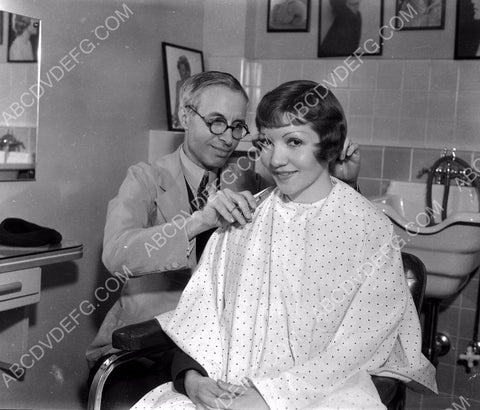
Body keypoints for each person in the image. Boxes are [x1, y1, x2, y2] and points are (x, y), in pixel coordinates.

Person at [132, 80, 437, 409]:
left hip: (324, 393)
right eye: (266, 142)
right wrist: (192, 379)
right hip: (226, 387)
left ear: (330, 145)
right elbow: (204, 317)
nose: (275, 159)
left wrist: (269, 397)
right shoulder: (243, 218)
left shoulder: (369, 230)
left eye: (294, 141)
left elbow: (359, 346)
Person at [86, 72, 361, 404]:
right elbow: (117, 253)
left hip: (227, 347)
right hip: (150, 343)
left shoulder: (251, 178)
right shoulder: (145, 179)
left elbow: (321, 234)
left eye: (236, 126)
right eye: (216, 122)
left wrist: (343, 181)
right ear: (185, 116)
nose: (227, 137)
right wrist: (197, 222)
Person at [172, 56, 191, 129]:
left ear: (187, 70)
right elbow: (177, 101)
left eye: (183, 70)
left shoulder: (191, 82)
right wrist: (175, 116)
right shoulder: (178, 83)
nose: (181, 73)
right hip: (180, 114)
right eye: (179, 70)